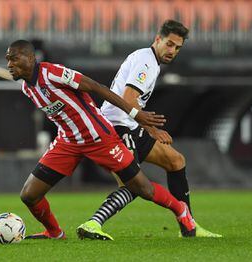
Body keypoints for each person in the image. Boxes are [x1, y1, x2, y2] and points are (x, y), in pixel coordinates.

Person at [6, 39, 196, 240]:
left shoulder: (52, 73)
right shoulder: (27, 88)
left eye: (14, 59)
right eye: (7, 60)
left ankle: (180, 209)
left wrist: (134, 113)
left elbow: (97, 87)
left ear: (31, 58)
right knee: (29, 194)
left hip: (99, 137)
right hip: (68, 142)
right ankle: (55, 233)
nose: (9, 65)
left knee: (143, 188)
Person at [77, 20, 222, 239]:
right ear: (157, 39)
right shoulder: (146, 62)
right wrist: (150, 127)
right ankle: (92, 224)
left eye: (178, 48)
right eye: (170, 44)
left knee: (176, 161)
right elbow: (128, 98)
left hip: (129, 125)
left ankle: (188, 226)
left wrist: (144, 127)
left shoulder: (150, 61)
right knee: (136, 184)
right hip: (116, 126)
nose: (173, 51)